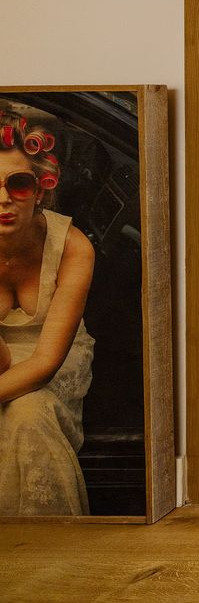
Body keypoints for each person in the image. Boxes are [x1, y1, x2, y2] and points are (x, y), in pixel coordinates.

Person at [0, 108, 95, 515]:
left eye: (18, 184)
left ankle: (54, 548)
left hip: (52, 358)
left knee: (29, 413)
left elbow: (46, 361)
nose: (3, 198)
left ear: (40, 190)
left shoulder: (73, 247)